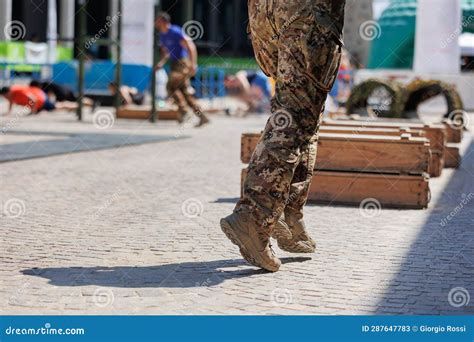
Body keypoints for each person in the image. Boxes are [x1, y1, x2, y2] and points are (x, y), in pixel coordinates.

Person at [220, 0, 346, 272]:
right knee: (295, 114)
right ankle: (253, 217)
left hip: (264, 13)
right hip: (306, 14)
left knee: (303, 113)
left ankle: (288, 213)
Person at [154, 12, 209, 127]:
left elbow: (190, 46)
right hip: (174, 64)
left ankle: (183, 111)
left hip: (183, 63)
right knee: (184, 93)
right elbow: (166, 53)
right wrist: (161, 63)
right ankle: (202, 116)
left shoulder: (175, 31)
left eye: (157, 20)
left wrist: (193, 64)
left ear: (163, 21)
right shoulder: (163, 35)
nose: (155, 23)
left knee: (170, 86)